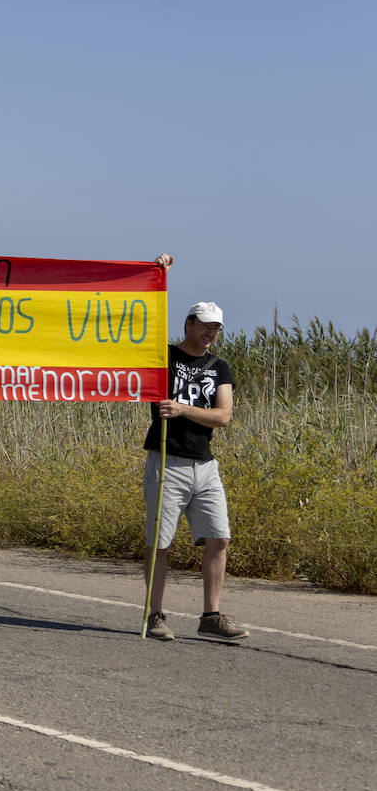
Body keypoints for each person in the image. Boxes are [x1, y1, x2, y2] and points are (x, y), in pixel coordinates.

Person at [142, 257, 248, 642]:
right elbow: (145, 322)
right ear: (188, 323)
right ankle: (154, 615)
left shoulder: (220, 367)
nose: (210, 334)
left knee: (219, 538)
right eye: (204, 326)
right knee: (160, 543)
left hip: (204, 464)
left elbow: (223, 416)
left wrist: (183, 409)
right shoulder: (163, 358)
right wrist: (158, 273)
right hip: (166, 460)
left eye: (216, 328)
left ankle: (211, 615)